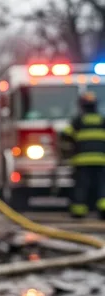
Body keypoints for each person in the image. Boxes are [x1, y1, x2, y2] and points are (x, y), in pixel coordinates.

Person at [60, 91, 105, 219]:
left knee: (81, 186)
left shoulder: (78, 121)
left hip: (82, 161)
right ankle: (103, 209)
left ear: (82, 106)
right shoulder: (102, 120)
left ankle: (78, 211)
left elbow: (65, 135)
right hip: (102, 161)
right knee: (102, 185)